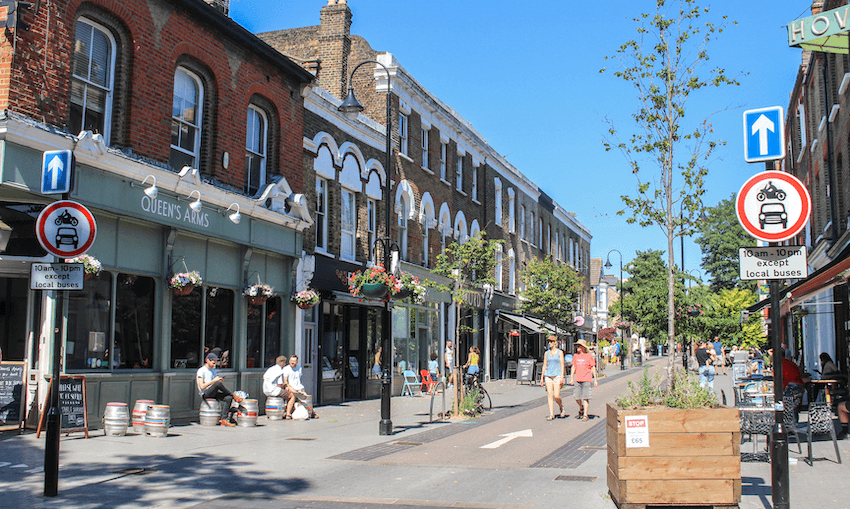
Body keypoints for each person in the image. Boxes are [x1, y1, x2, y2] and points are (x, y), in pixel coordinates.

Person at [196, 352, 242, 427]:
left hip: (214, 392)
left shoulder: (213, 370)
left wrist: (218, 380)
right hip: (205, 393)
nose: (214, 364)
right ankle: (233, 395)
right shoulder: (201, 371)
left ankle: (224, 419)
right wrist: (214, 381)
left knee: (228, 398)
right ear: (207, 361)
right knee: (217, 384)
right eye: (213, 362)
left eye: (215, 362)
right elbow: (202, 386)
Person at [570, 339, 598, 421]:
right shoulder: (576, 356)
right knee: (576, 397)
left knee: (586, 397)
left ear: (583, 347)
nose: (577, 347)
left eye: (579, 346)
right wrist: (571, 378)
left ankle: (585, 415)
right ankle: (581, 407)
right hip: (578, 378)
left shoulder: (589, 356)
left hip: (586, 379)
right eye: (577, 346)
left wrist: (595, 379)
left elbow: (593, 367)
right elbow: (573, 367)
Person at [540, 335, 566, 420]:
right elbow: (544, 365)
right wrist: (542, 377)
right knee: (549, 395)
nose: (549, 343)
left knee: (556, 395)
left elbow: (562, 364)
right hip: (548, 375)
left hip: (557, 375)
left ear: (555, 342)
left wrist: (562, 376)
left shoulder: (560, 352)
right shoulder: (546, 353)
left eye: (551, 341)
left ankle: (561, 406)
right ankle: (551, 414)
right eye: (549, 342)